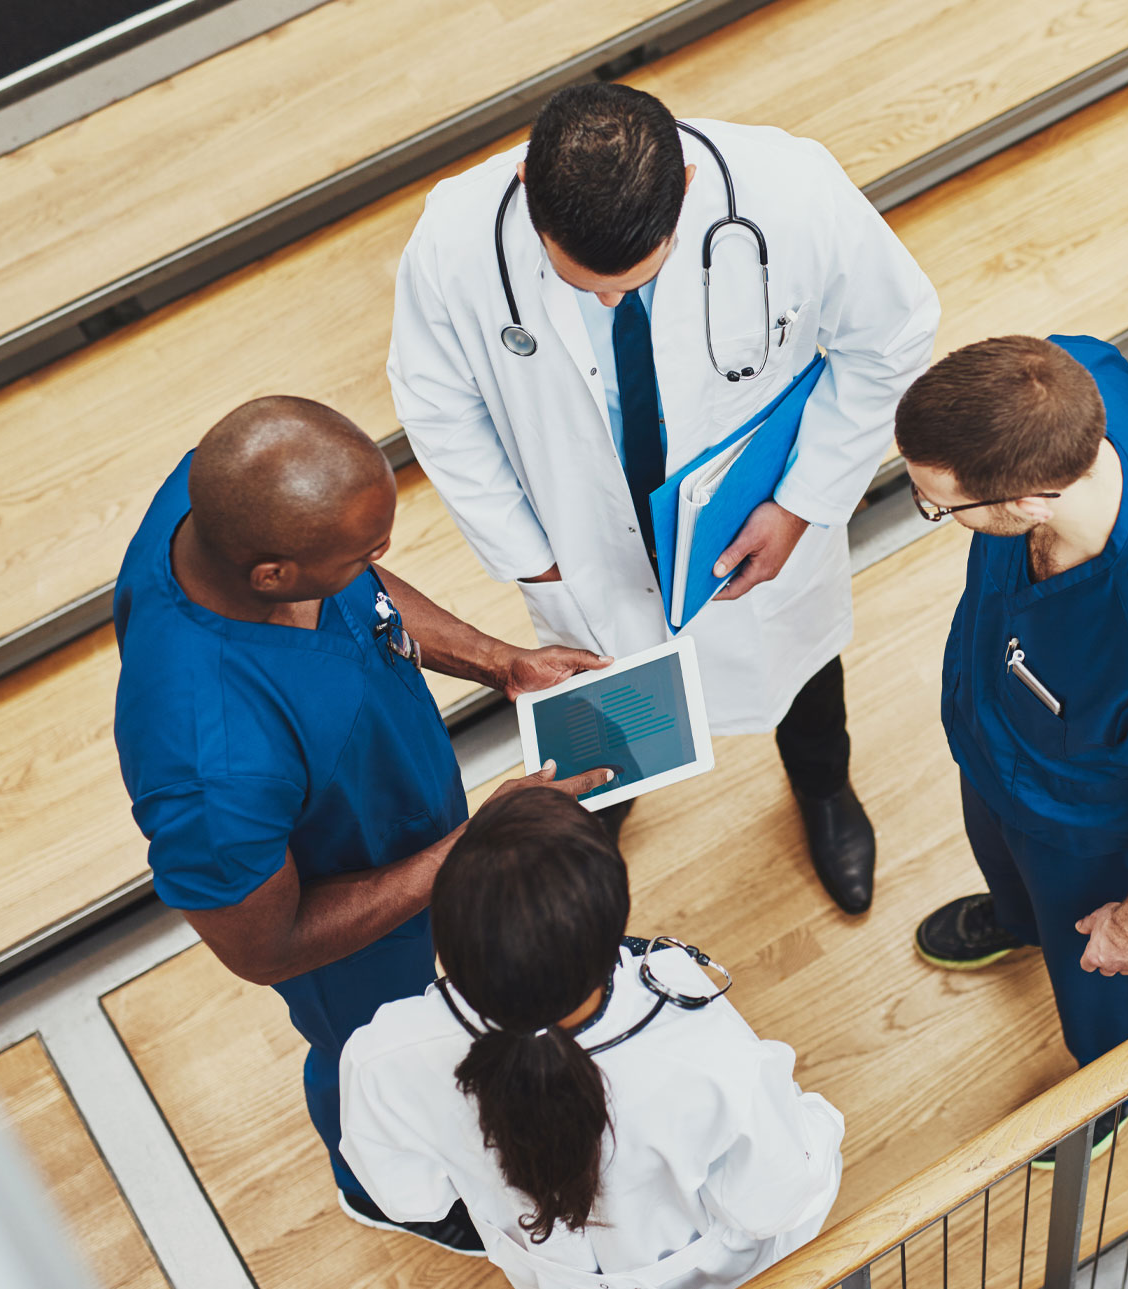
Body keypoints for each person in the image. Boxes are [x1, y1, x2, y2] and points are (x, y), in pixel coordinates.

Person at [388, 81, 940, 914]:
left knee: (802, 669)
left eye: (631, 281)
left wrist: (802, 500)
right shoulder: (454, 239)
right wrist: (531, 560)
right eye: (582, 284)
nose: (609, 301)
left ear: (684, 188)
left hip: (759, 526)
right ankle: (604, 807)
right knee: (602, 696)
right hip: (579, 544)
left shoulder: (792, 189)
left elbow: (892, 340)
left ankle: (825, 790)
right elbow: (435, 405)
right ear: (528, 193)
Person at [111, 396, 613, 1253]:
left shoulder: (218, 499)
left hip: (414, 827)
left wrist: (505, 664)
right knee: (377, 1055)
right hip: (350, 934)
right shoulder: (207, 758)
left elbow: (361, 601)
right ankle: (380, 1191)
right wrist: (474, 846)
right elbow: (264, 946)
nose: (380, 561)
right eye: (363, 551)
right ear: (272, 573)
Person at [899, 336, 1128, 1161]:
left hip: (1086, 826)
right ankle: (1019, 919)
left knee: (1102, 977)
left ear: (1028, 503)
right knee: (1002, 860)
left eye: (939, 506)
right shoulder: (1064, 374)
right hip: (995, 745)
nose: (930, 514)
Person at [340, 788, 844, 1288]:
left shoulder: (383, 1055)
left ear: (446, 946)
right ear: (614, 930)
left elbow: (409, 1198)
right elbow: (776, 1198)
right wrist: (821, 1122)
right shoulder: (699, 1041)